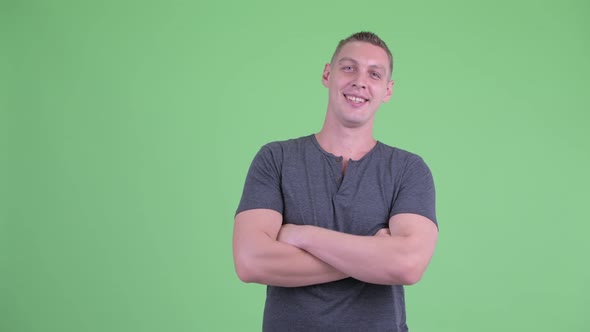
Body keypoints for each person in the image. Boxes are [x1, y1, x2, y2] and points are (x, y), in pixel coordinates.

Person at [232, 31, 438, 332]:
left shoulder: (409, 170)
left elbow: (407, 265)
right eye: (349, 67)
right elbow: (251, 261)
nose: (360, 81)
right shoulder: (275, 159)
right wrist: (374, 256)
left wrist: (301, 236)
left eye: (375, 74)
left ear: (388, 90)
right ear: (328, 73)